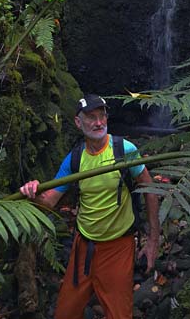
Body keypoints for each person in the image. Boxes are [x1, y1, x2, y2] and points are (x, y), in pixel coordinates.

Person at [20, 93, 160, 319]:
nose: (98, 122)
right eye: (91, 117)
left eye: (102, 116)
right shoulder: (75, 159)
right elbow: (49, 201)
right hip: (83, 246)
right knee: (65, 313)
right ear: (78, 122)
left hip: (118, 247)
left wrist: (153, 241)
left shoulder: (123, 150)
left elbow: (151, 189)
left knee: (119, 315)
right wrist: (32, 192)